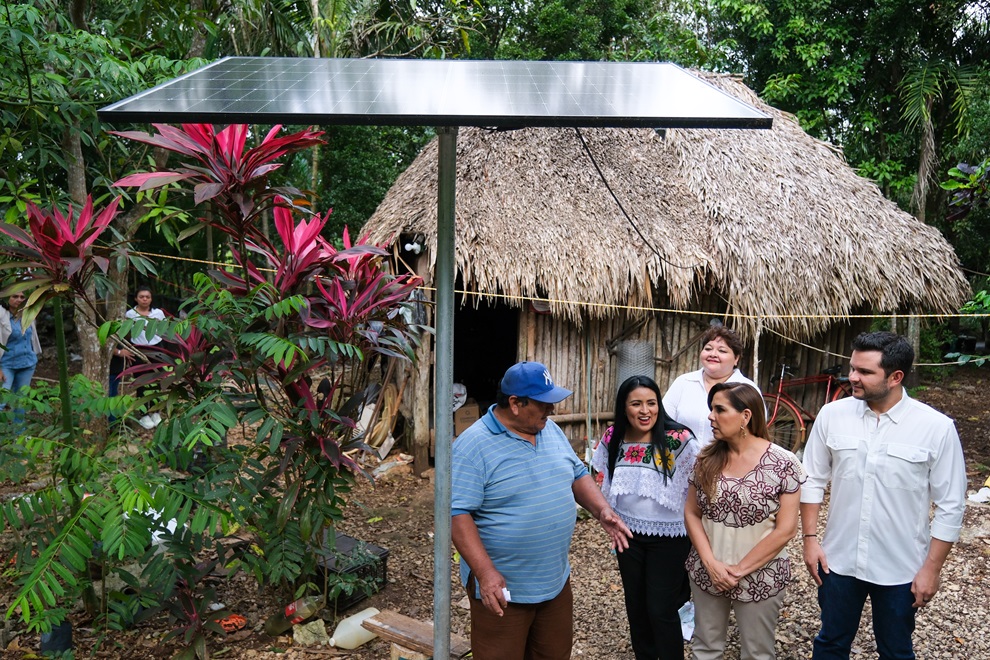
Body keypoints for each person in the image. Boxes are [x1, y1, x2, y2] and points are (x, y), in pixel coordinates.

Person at [800, 331, 967, 660]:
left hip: (901, 567)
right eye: (852, 368)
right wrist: (809, 539)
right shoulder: (832, 416)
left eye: (864, 372)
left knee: (896, 650)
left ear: (895, 377)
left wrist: (931, 569)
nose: (852, 377)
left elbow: (951, 505)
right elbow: (812, 479)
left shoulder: (936, 428)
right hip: (839, 561)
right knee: (831, 642)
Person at [451, 361, 633, 660]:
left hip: (554, 580)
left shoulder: (549, 431)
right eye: (544, 404)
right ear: (515, 404)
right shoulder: (473, 445)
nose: (552, 411)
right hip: (505, 589)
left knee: (553, 653)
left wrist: (602, 511)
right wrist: (486, 574)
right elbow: (458, 515)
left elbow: (577, 473)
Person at [684, 381, 805, 660]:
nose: (710, 416)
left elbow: (786, 530)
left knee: (757, 652)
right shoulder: (706, 459)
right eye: (711, 409)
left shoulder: (783, 463)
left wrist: (738, 570)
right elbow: (691, 512)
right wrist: (711, 564)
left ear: (745, 416)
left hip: (760, 575)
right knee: (705, 647)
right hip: (707, 571)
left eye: (719, 409)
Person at [591, 375, 699, 660]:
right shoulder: (613, 436)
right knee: (636, 606)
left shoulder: (678, 439)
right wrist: (606, 515)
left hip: (671, 536)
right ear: (623, 407)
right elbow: (600, 478)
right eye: (636, 404)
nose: (645, 410)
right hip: (627, 534)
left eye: (651, 403)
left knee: (660, 607)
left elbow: (699, 484)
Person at [663, 326, 761, 447]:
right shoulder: (683, 382)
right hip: (680, 461)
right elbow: (663, 422)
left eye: (722, 351)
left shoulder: (747, 389)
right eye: (708, 349)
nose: (713, 354)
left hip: (728, 462)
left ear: (736, 358)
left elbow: (756, 432)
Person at [110, 286, 167, 429]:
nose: (145, 299)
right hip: (138, 349)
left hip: (156, 347)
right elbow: (125, 333)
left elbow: (164, 330)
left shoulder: (158, 313)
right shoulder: (130, 314)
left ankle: (156, 410)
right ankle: (144, 413)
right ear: (136, 298)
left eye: (147, 297)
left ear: (151, 298)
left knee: (156, 380)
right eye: (141, 297)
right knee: (141, 381)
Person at [1, 291, 42, 423]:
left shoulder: (28, 315)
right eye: (14, 296)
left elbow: (32, 338)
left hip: (27, 364)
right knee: (2, 400)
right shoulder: (2, 316)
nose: (18, 299)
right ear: (7, 298)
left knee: (20, 401)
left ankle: (19, 434)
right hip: (6, 365)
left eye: (22, 297)